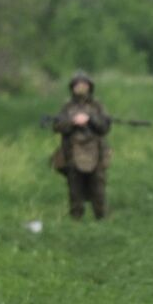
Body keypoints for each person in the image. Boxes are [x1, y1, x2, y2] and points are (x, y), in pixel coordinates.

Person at [51, 72, 112, 219]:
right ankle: (76, 220)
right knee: (75, 189)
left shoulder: (97, 106)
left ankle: (101, 218)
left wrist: (89, 119)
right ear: (72, 87)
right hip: (72, 153)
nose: (81, 87)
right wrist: (73, 122)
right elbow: (57, 126)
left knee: (98, 188)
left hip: (96, 153)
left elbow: (104, 127)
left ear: (90, 87)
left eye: (84, 84)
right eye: (77, 85)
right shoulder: (67, 106)